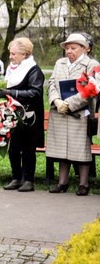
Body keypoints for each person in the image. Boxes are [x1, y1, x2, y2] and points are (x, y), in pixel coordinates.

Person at [46, 32, 99, 196]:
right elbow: (51, 83)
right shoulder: (59, 63)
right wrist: (56, 101)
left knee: (81, 149)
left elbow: (92, 89)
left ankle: (83, 184)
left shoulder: (92, 65)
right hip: (60, 111)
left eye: (73, 48)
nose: (69, 51)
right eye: (67, 48)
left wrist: (69, 104)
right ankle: (62, 182)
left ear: (84, 49)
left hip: (80, 113)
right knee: (62, 149)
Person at [0, 38, 44, 193]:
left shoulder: (33, 70)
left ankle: (28, 180)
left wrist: (12, 92)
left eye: (13, 54)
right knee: (13, 148)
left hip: (29, 116)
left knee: (28, 149)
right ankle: (16, 178)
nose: (10, 57)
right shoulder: (12, 68)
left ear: (24, 54)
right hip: (13, 114)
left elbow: (35, 92)